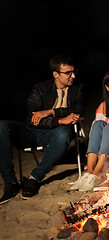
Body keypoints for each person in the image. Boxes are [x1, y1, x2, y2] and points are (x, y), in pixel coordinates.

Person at [0, 54, 85, 204]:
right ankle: (10, 183)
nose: (72, 76)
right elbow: (32, 119)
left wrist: (51, 112)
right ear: (55, 74)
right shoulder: (40, 89)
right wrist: (59, 120)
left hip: (57, 134)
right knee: (2, 126)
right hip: (31, 132)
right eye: (68, 73)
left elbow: (78, 110)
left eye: (74, 72)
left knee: (64, 131)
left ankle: (34, 178)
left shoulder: (77, 89)